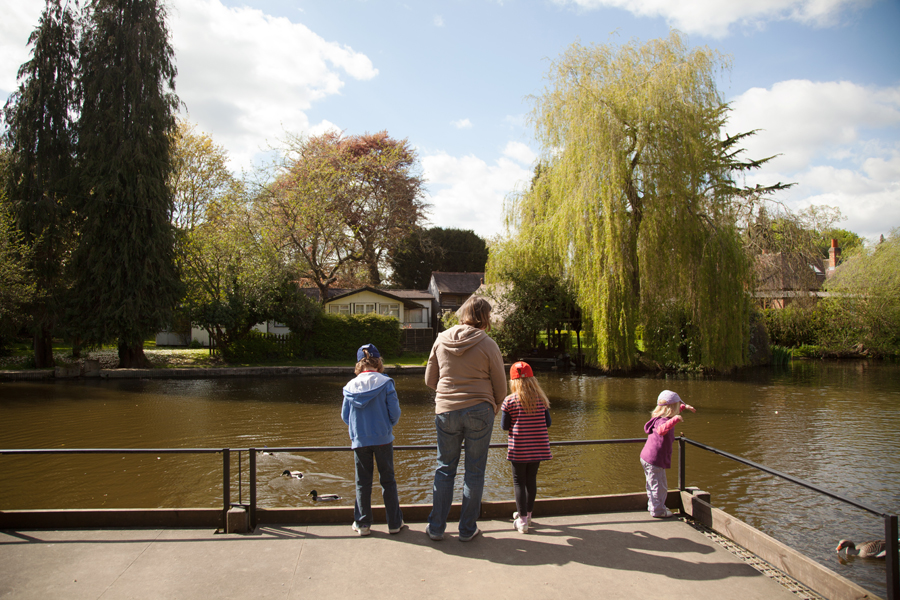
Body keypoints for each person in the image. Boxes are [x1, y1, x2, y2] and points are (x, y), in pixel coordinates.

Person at [424, 296, 506, 542]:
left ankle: (437, 527)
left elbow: (430, 380)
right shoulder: (488, 343)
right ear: (485, 317)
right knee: (474, 471)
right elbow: (501, 385)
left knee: (444, 468)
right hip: (479, 410)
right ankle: (467, 529)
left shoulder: (440, 339)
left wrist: (447, 395)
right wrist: (494, 405)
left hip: (446, 410)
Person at [341, 343, 404, 536]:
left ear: (359, 364)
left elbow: (345, 416)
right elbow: (395, 413)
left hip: (360, 440)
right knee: (388, 481)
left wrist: (358, 429)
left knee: (363, 482)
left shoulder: (349, 387)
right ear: (378, 362)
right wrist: (386, 425)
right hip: (383, 439)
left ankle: (363, 524)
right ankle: (394, 523)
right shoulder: (385, 382)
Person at [500, 361, 552, 534]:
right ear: (532, 380)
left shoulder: (510, 401)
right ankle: (528, 514)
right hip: (537, 447)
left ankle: (521, 520)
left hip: (519, 447)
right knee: (531, 480)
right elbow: (548, 423)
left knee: (518, 482)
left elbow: (504, 426)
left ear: (513, 382)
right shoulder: (541, 400)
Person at [639, 390, 696, 518]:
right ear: (671, 409)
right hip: (654, 459)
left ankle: (652, 505)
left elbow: (671, 413)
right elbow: (661, 430)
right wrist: (675, 420)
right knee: (660, 486)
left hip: (647, 457)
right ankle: (658, 510)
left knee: (652, 483)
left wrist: (685, 407)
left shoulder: (658, 416)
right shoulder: (663, 421)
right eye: (678, 406)